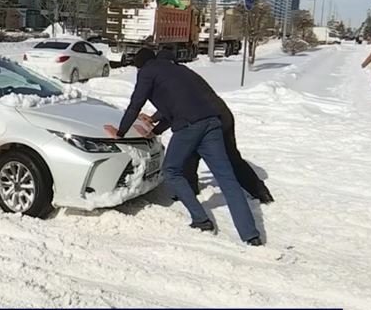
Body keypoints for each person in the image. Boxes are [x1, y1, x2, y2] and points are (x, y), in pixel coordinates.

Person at [103, 48, 262, 246]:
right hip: (212, 121)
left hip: (189, 126)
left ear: (139, 65)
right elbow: (177, 105)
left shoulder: (147, 71)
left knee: (171, 170)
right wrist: (157, 130)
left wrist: (120, 132)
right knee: (226, 177)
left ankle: (201, 219)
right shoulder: (179, 70)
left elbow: (136, 103)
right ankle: (251, 235)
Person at [145, 49, 274, 203]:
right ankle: (190, 189)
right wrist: (154, 119)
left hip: (212, 117)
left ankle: (258, 191)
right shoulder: (184, 73)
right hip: (222, 113)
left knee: (224, 156)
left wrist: (156, 128)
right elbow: (177, 106)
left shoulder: (171, 77)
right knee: (193, 154)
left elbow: (178, 108)